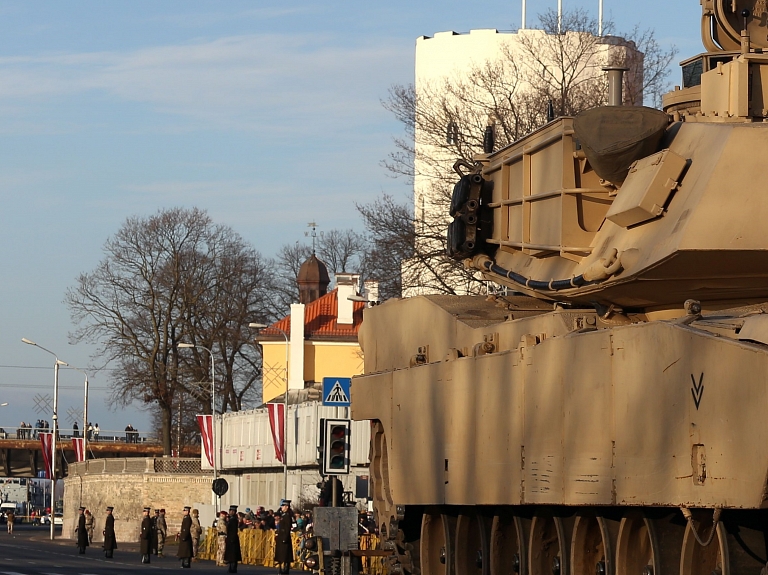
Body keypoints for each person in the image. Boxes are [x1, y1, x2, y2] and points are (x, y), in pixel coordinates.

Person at [274, 500, 293, 575]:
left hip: (284, 538)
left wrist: (285, 538)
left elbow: (287, 528)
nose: (281, 507)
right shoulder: (284, 515)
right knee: (281, 555)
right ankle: (282, 569)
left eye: (283, 506)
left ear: (287, 507)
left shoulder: (287, 516)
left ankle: (285, 569)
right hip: (281, 537)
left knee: (285, 556)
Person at [224, 505, 242, 573]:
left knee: (233, 555)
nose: (231, 512)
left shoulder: (234, 520)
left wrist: (232, 539)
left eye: (232, 511)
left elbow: (234, 530)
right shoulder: (231, 519)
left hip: (233, 539)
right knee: (230, 555)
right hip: (230, 538)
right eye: (230, 511)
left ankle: (233, 567)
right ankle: (231, 567)